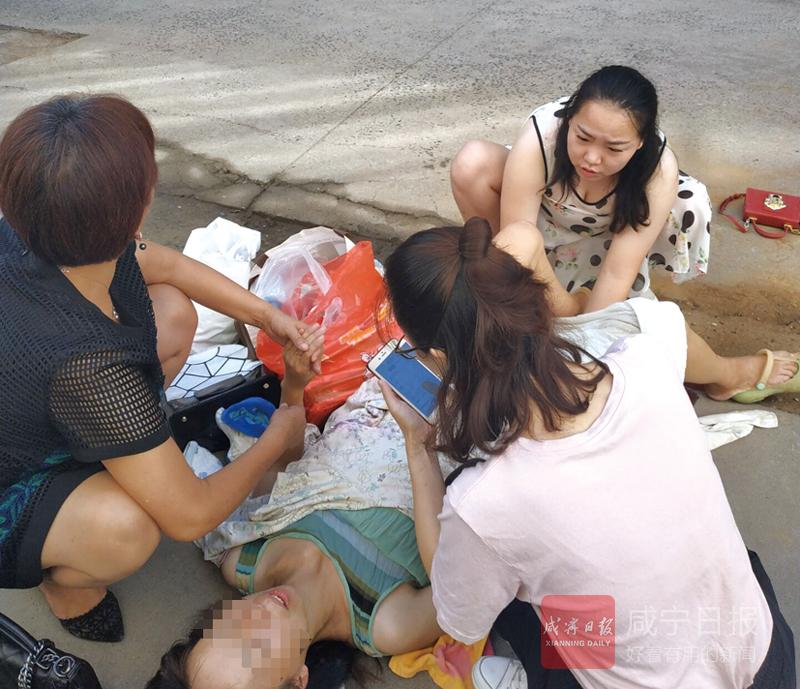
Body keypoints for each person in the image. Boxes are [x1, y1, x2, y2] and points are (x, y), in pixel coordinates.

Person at [380, 218, 796, 689]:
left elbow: (458, 615)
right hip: (768, 659)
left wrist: (418, 444)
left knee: (506, 584)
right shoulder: (643, 359)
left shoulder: (487, 503)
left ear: (439, 357)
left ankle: (539, 675)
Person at [0, 94, 322, 642]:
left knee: (172, 311)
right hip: (16, 476)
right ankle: (66, 585)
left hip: (30, 404)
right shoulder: (89, 367)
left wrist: (266, 316)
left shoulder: (34, 229)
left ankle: (125, 459)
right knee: (129, 528)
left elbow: (166, 264)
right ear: (141, 206)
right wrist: (278, 434)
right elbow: (190, 516)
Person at [146, 338, 447, 689]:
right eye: (259, 649)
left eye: (229, 628)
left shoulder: (248, 557)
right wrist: (418, 444)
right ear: (298, 679)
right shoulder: (387, 623)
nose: (260, 614)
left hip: (391, 382)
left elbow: (289, 472)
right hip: (472, 426)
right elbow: (467, 587)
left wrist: (294, 382)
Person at [450, 64, 712, 313]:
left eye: (614, 148)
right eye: (582, 137)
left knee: (692, 200)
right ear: (569, 119)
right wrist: (554, 309)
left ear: (640, 142)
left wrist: (586, 331)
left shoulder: (658, 168)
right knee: (472, 163)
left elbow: (617, 273)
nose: (592, 158)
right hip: (544, 217)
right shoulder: (543, 134)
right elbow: (520, 243)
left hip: (610, 231)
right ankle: (498, 278)